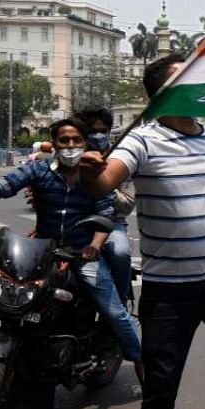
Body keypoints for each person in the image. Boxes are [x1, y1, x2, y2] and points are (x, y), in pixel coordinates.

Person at [79, 54, 205, 409]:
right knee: (160, 393)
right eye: (187, 79)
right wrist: (91, 171)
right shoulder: (141, 142)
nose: (199, 85)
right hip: (167, 292)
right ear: (165, 94)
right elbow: (103, 184)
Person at [0, 118, 142, 371]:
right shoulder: (38, 170)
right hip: (42, 251)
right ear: (54, 145)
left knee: (114, 312)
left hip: (80, 253)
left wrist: (94, 246)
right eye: (64, 140)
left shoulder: (94, 178)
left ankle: (140, 361)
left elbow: (106, 216)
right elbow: (0, 188)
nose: (70, 145)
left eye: (76, 140)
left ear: (84, 143)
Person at [75, 106, 133, 305]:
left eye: (103, 130)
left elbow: (128, 204)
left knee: (120, 252)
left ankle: (121, 301)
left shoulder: (121, 159)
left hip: (112, 222)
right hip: (76, 221)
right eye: (93, 131)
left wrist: (103, 184)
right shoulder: (74, 156)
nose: (98, 135)